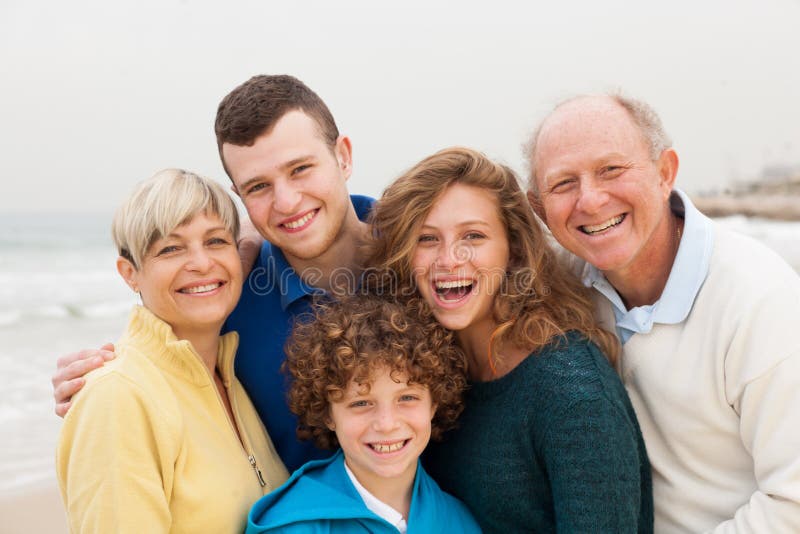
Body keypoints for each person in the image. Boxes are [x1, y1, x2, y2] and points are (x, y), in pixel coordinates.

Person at [51, 75, 373, 472]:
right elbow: (157, 354)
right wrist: (98, 380)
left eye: (301, 169)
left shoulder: (426, 255)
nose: (287, 202)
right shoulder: (226, 301)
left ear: (343, 156)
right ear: (240, 195)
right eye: (258, 187)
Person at [526, 94, 800, 532]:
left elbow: (793, 505)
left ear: (664, 172)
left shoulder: (759, 300)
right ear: (540, 209)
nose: (591, 200)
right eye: (563, 184)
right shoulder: (561, 286)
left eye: (611, 170)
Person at [366, 147, 653, 533]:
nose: (449, 259)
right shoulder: (426, 373)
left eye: (474, 235)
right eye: (427, 239)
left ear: (514, 249)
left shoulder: (572, 392)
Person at [56, 169, 289, 533]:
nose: (200, 262)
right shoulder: (118, 398)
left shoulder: (230, 377)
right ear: (129, 273)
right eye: (171, 248)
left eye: (215, 241)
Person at [246, 295, 481, 533]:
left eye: (407, 398)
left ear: (434, 404)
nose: (386, 424)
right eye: (361, 403)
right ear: (328, 414)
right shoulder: (291, 525)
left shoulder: (459, 522)